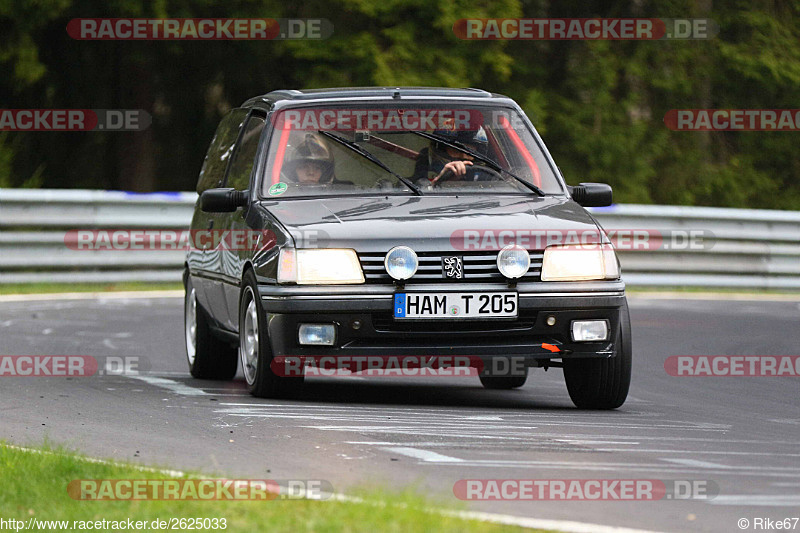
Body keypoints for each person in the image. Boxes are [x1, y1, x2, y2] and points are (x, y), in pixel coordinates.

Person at [412, 127, 489, 186]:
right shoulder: (421, 181)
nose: (463, 156)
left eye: (470, 152)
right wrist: (438, 182)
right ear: (441, 150)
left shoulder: (488, 179)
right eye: (456, 151)